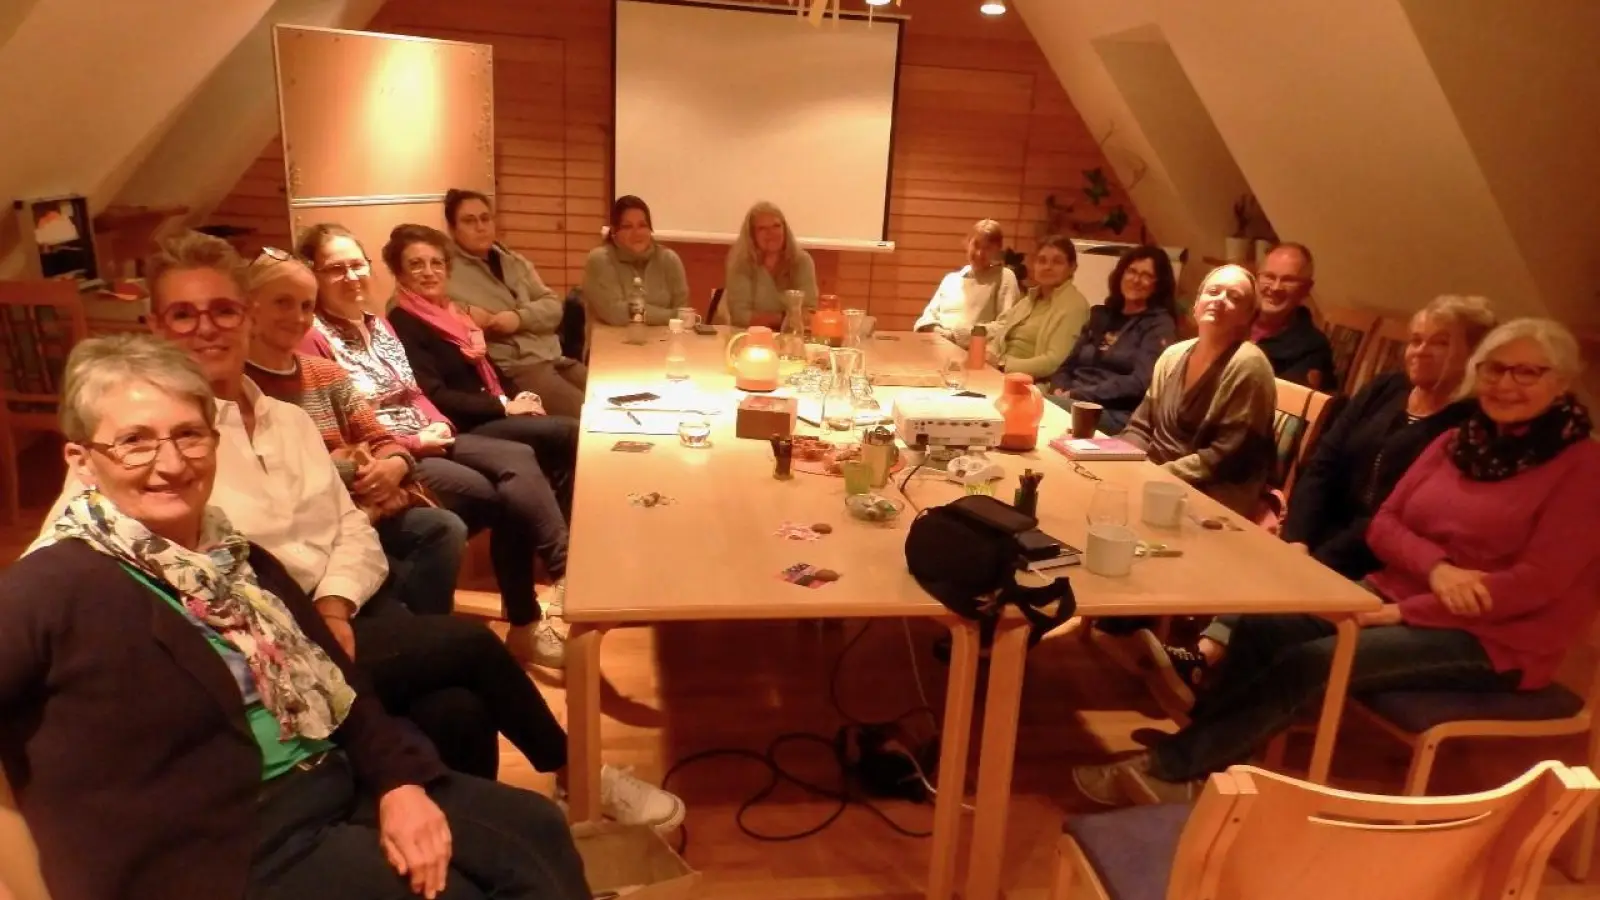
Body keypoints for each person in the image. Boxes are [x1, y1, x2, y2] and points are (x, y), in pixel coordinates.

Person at [3, 333, 592, 900]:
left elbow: (341, 680)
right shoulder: (53, 585)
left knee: (535, 829)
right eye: (135, 441)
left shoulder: (236, 557)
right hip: (221, 850)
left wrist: (398, 782)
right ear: (81, 460)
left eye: (189, 435)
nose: (172, 463)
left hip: (328, 783)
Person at [242, 251, 687, 827]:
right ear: (247, 308)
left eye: (304, 304)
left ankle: (473, 827)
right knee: (471, 635)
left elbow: (377, 443)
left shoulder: (319, 383)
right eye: (284, 302)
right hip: (291, 621)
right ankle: (575, 773)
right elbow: (313, 506)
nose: (298, 315)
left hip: (351, 568)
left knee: (459, 708)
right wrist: (366, 469)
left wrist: (389, 461)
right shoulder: (234, 413)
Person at [1076, 318, 1600, 807]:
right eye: (1495, 369)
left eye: (1528, 371)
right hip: (1394, 592)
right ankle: (1213, 761)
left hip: (1495, 638)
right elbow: (1386, 524)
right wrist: (1438, 567)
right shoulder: (1455, 442)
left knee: (1316, 661)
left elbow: (1538, 585)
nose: (1506, 384)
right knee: (1263, 626)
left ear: (1562, 382)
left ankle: (1174, 768)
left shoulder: (1582, 466)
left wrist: (1408, 610)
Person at [1135, 295, 1499, 707]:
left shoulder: (1467, 426)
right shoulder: (1386, 389)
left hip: (1379, 553)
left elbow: (1389, 515)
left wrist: (1314, 556)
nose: (1420, 351)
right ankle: (1207, 664)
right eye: (1416, 340)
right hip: (1317, 530)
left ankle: (1208, 666)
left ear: (1474, 354)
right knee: (1265, 557)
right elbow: (1321, 462)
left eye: (1439, 343)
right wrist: (1299, 537)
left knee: (1278, 581)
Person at [255, 245, 571, 669]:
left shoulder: (377, 327)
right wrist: (407, 449)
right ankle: (526, 607)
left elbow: (408, 400)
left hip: (413, 441)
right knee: (501, 489)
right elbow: (317, 457)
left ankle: (531, 613)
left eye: (355, 265)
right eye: (335, 268)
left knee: (537, 456)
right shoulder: (310, 346)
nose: (349, 276)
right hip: (386, 462)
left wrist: (422, 440)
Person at [1119, 264, 1278, 517]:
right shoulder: (1173, 354)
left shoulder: (1249, 364)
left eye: (1234, 297)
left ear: (1249, 316)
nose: (1220, 300)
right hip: (1152, 478)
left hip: (1209, 494)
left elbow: (1226, 456)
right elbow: (1141, 426)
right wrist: (1118, 461)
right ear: (1197, 303)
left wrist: (1155, 477)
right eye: (1213, 291)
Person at [444, 188, 588, 419]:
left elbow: (552, 307)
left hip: (550, 354)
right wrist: (463, 313)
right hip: (515, 366)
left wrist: (519, 318)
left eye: (485, 218)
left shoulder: (512, 260)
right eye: (469, 221)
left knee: (607, 395)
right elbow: (411, 309)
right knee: (587, 413)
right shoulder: (446, 270)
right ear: (453, 229)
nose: (480, 227)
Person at [1047, 245, 1179, 433]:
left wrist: (1077, 395)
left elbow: (1140, 382)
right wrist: (1060, 388)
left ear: (1158, 285)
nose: (1136, 279)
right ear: (1121, 274)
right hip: (1070, 399)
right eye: (1131, 271)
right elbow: (1068, 365)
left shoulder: (1159, 326)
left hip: (1113, 412)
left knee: (1036, 406)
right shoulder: (1101, 315)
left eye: (1146, 275)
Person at [986, 235, 1090, 380]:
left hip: (1031, 385)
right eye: (1042, 261)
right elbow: (999, 335)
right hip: (997, 373)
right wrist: (987, 354)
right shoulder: (1030, 299)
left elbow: (1053, 362)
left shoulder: (1074, 306)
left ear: (1072, 268)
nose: (1047, 267)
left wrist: (1002, 364)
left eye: (1057, 262)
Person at [584, 194, 691, 327]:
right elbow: (616, 314)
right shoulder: (600, 260)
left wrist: (638, 311)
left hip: (665, 343)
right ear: (614, 232)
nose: (637, 233)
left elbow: (682, 315)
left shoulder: (669, 260)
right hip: (612, 344)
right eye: (628, 227)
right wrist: (670, 316)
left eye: (642, 225)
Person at [912, 219, 1021, 345]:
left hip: (974, 352)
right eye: (976, 245)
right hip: (936, 345)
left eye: (987, 248)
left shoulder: (1004, 277)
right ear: (967, 243)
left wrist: (957, 336)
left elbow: (1006, 325)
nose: (980, 253)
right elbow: (928, 316)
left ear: (997, 250)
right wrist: (938, 332)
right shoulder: (951, 279)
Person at [720, 200, 818, 328]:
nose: (771, 233)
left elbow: (809, 312)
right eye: (762, 229)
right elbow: (740, 316)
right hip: (749, 338)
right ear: (752, 235)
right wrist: (785, 318)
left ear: (785, 229)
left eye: (776, 226)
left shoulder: (802, 261)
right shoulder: (740, 264)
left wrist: (775, 319)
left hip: (793, 338)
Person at [1253, 242, 1336, 390]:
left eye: (1289, 280)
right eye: (1269, 276)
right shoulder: (1231, 320)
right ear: (1256, 278)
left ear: (1306, 289)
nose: (1275, 287)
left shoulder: (1312, 348)